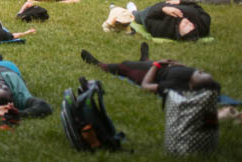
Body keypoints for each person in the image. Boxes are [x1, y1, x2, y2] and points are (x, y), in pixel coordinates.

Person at [81, 43, 221, 96]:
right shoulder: (196, 77)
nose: (200, 71)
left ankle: (98, 64)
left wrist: (157, 65)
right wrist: (176, 64)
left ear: (191, 85)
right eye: (201, 72)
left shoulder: (176, 86)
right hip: (160, 67)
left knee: (124, 65)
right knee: (147, 62)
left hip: (148, 73)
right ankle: (145, 59)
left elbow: (145, 86)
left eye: (200, 74)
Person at [127, 0, 210, 41]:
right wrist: (181, 1)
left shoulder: (164, 29)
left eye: (185, 26)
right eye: (191, 25)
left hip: (153, 12)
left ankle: (133, 11)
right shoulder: (202, 25)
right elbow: (199, 9)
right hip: (172, 3)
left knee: (137, 16)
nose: (187, 22)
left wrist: (163, 9)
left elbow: (149, 19)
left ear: (179, 32)